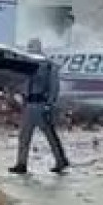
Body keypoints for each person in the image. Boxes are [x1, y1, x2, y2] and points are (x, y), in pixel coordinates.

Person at [9, 38, 70, 175]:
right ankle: (21, 163)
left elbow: (54, 87)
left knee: (50, 135)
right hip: (29, 104)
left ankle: (61, 161)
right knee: (24, 136)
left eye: (33, 47)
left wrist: (49, 105)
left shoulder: (48, 65)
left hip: (41, 104)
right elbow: (22, 83)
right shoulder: (26, 64)